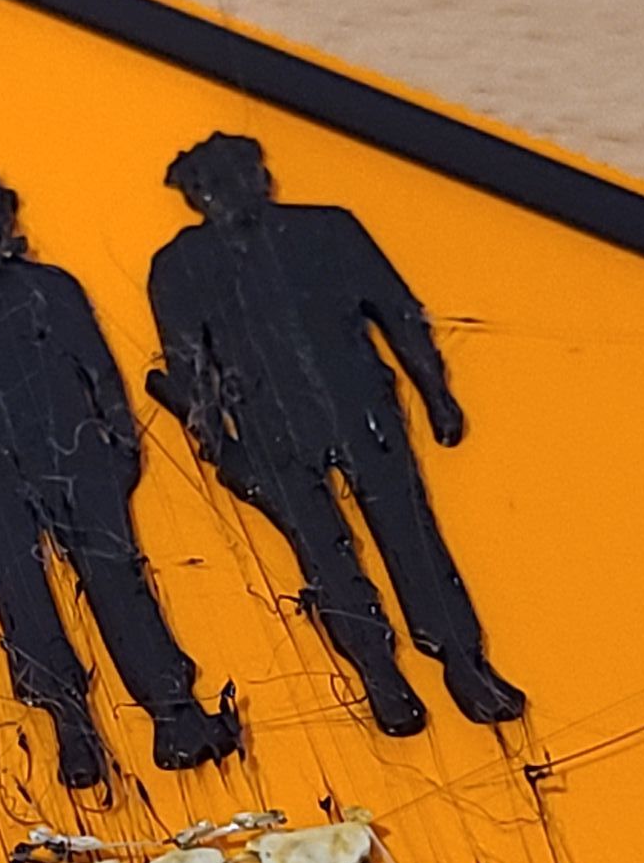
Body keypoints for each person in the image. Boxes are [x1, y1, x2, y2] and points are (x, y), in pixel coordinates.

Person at [146, 132, 524, 736]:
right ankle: (378, 672)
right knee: (324, 555)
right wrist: (219, 446)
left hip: (361, 410)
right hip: (271, 428)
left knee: (412, 535)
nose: (223, 195)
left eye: (233, 178)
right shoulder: (180, 266)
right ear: (193, 198)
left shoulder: (327, 230)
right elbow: (188, 364)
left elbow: (398, 311)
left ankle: (462, 661)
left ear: (260, 177)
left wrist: (437, 394)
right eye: (206, 188)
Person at [0, 166, 237, 791]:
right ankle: (73, 727)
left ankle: (172, 714)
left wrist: (118, 447)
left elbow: (98, 370)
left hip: (72, 457)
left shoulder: (46, 286)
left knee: (114, 580)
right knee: (23, 595)